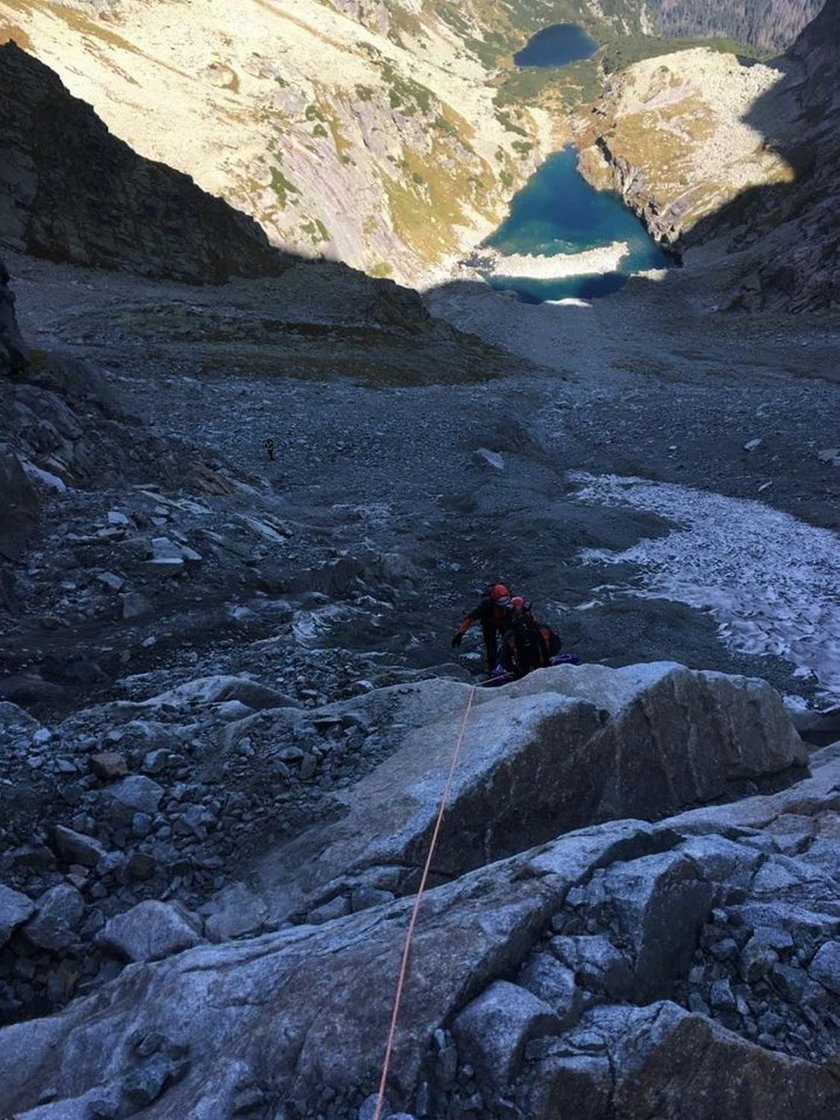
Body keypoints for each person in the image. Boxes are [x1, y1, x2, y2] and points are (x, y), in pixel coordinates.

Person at [452, 583, 514, 675]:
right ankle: (491, 667)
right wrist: (460, 633)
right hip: (490, 624)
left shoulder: (513, 602)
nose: (503, 605)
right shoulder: (486, 605)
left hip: (505, 622)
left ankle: (512, 661)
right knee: (491, 646)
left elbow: (524, 612)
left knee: (510, 643)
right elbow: (470, 618)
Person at [498, 596, 552, 679]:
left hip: (523, 673)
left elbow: (504, 658)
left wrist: (514, 671)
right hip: (545, 669)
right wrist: (548, 659)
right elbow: (556, 644)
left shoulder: (510, 634)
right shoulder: (541, 627)